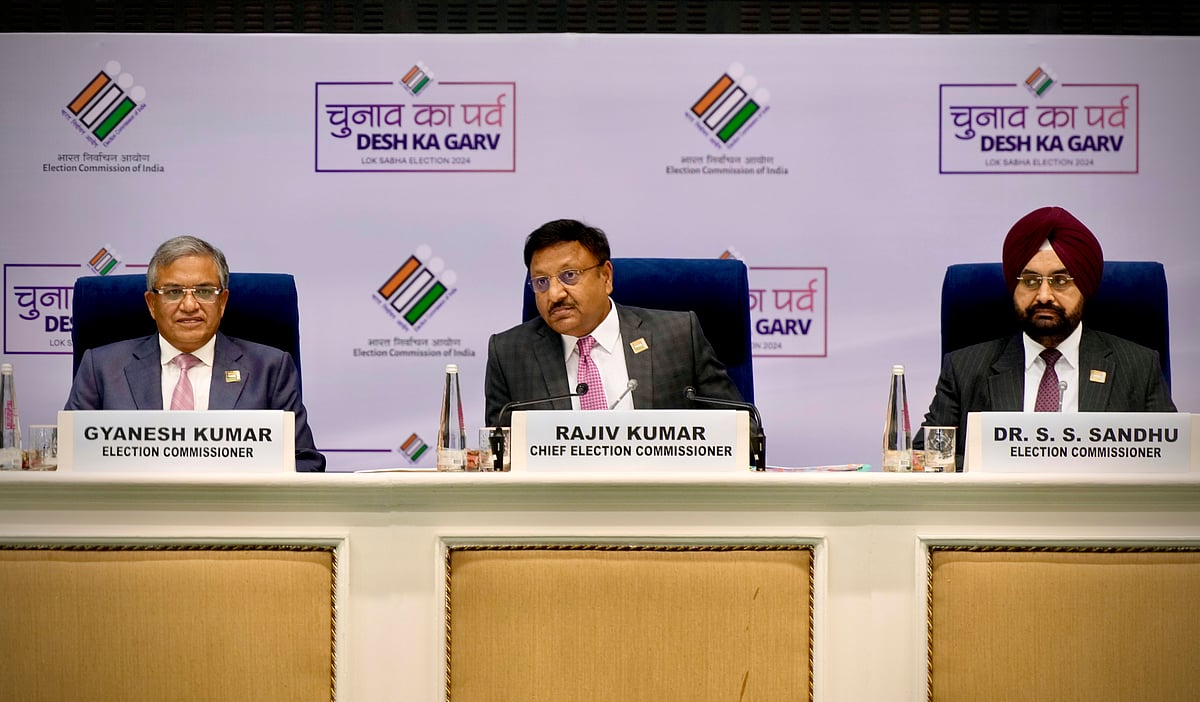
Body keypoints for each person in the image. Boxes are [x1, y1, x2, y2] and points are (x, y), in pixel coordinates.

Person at [920, 206, 1176, 468]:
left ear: (1084, 287)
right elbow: (925, 460)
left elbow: (1171, 461)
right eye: (1030, 281)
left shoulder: (1138, 368)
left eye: (1060, 280)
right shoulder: (964, 369)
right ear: (1014, 287)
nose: (1044, 295)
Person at [65, 235, 326, 472]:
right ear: (151, 304)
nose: (189, 305)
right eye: (173, 292)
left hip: (237, 516)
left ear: (222, 302)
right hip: (132, 515)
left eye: (203, 291)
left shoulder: (270, 368)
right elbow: (69, 461)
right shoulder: (101, 368)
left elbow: (305, 463)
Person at [485, 218, 743, 426]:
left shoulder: (676, 336)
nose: (554, 294)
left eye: (569, 275)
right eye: (541, 282)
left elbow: (742, 431)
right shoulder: (509, 354)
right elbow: (500, 456)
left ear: (606, 277)